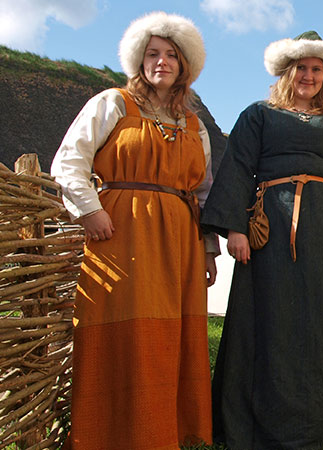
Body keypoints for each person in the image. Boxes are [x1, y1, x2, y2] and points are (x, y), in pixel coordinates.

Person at [202, 31, 323, 448]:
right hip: (269, 234)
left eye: (316, 69)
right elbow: (236, 168)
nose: (308, 75)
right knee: (269, 321)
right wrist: (235, 229)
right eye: (301, 67)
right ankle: (259, 420)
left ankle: (316, 420)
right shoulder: (258, 115)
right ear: (287, 71)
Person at [51, 11, 216, 448]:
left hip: (180, 241)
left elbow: (204, 192)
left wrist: (208, 250)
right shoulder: (112, 103)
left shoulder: (195, 125)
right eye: (152, 53)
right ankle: (108, 433)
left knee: (173, 331)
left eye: (171, 55)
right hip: (122, 232)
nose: (161, 61)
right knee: (124, 329)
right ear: (139, 60)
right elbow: (70, 161)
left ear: (184, 65)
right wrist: (89, 210)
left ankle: (162, 432)